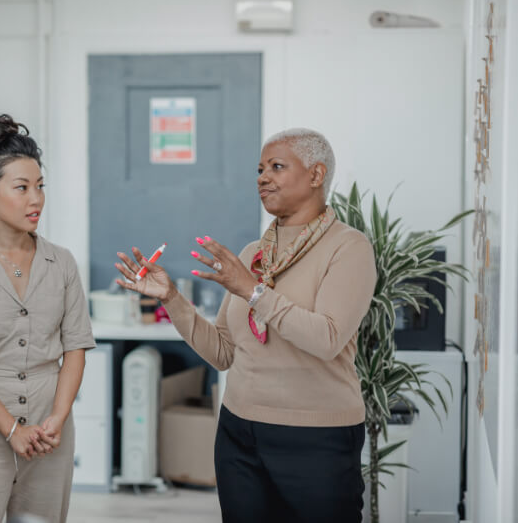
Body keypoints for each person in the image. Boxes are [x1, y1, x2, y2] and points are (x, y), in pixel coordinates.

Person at [116, 128, 376, 523]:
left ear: (316, 174)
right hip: (240, 434)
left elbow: (326, 339)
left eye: (276, 167)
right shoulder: (253, 255)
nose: (262, 178)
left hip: (316, 440)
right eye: (259, 169)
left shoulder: (348, 247)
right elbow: (222, 352)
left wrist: (253, 291)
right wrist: (171, 298)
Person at [0, 114, 96, 523]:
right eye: (22, 188)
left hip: (49, 432)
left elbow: (75, 347)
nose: (36, 199)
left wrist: (56, 421)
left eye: (40, 187)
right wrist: (11, 430)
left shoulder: (61, 262)